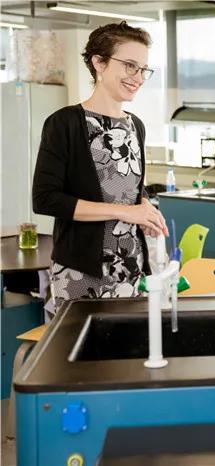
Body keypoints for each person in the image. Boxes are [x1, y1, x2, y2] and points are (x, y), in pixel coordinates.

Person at [32, 21, 168, 314]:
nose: (138, 77)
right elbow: (46, 199)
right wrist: (126, 212)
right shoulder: (64, 123)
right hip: (81, 272)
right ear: (99, 63)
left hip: (131, 267)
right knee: (80, 344)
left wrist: (144, 207)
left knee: (131, 343)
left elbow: (128, 186)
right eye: (130, 65)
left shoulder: (136, 126)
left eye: (143, 69)